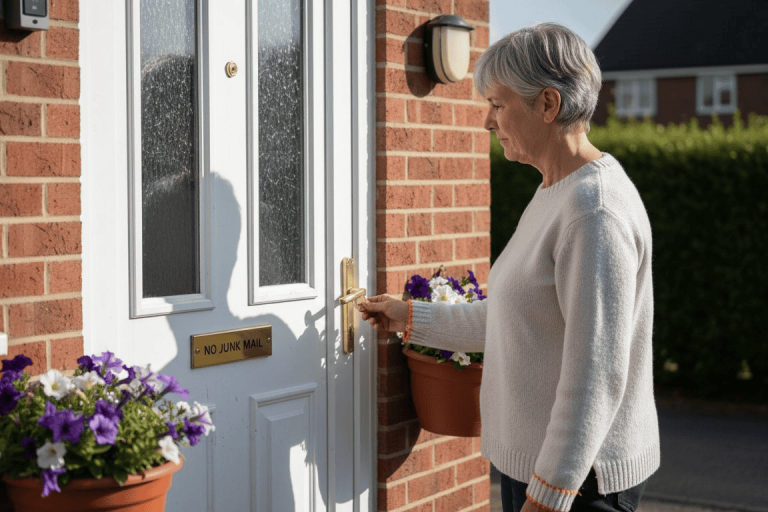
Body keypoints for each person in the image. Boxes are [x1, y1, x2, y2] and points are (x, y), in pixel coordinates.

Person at [359, 22, 659, 512]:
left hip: (579, 484)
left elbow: (596, 374)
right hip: (541, 470)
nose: (486, 121)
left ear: (547, 104)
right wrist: (409, 317)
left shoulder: (594, 211)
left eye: (497, 105)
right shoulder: (554, 190)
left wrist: (551, 493)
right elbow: (515, 317)